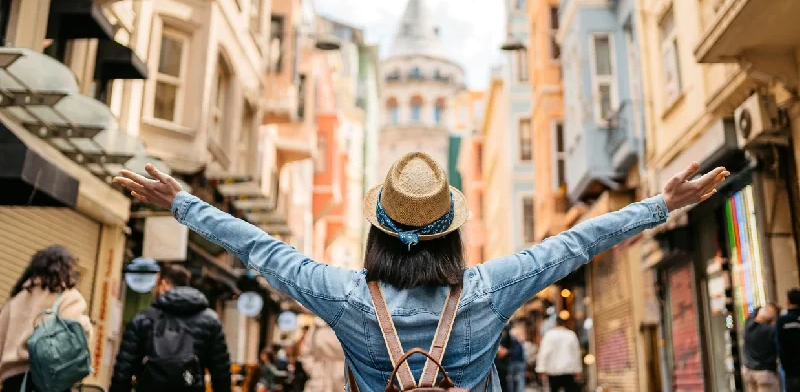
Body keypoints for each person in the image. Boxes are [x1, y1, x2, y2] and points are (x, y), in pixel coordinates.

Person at [114, 153, 727, 391]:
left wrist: (180, 202)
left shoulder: (346, 297)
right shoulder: (488, 289)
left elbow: (262, 250)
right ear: (451, 231)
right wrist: (663, 204)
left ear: (378, 228)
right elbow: (574, 243)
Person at [109, 263, 231, 392]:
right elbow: (221, 372)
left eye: (155, 285)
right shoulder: (210, 320)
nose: (153, 290)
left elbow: (123, 371)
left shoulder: (143, 319)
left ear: (163, 285)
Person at [0, 246, 93, 392]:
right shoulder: (67, 296)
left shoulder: (15, 300)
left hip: (12, 382)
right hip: (49, 381)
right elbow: (79, 334)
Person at [535, 317, 582, 392]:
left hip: (553, 371)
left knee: (554, 389)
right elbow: (576, 353)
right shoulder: (571, 335)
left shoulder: (548, 335)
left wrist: (541, 369)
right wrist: (578, 370)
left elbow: (543, 353)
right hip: (568, 371)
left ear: (555, 324)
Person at [742, 304, 780, 392]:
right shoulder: (770, 330)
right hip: (765, 373)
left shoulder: (748, 324)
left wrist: (763, 309)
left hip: (748, 371)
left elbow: (754, 312)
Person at [305, 319, 346, 392]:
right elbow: (306, 352)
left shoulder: (348, 324)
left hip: (342, 376)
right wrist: (312, 369)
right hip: (319, 375)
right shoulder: (317, 326)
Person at [776, 288, 800, 392]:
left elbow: (779, 344)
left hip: (790, 371)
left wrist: (784, 364)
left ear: (788, 301)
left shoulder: (782, 321)